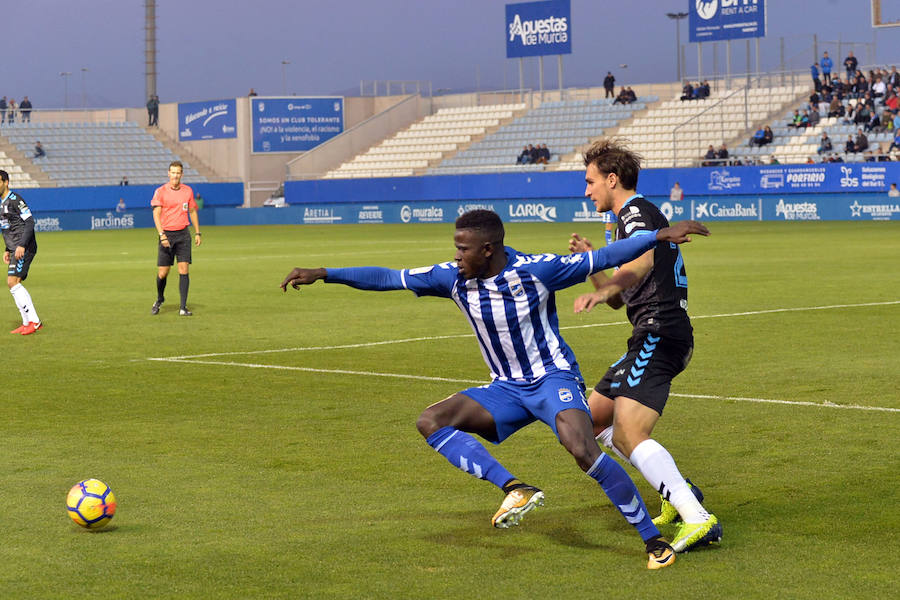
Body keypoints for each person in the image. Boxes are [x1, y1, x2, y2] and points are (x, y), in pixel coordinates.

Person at [281, 209, 711, 569]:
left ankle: (653, 540)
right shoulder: (452, 278)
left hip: (552, 379)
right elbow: (388, 277)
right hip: (505, 389)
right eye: (456, 246)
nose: (457, 254)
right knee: (431, 421)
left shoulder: (536, 271)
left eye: (463, 247)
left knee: (582, 447)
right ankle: (515, 488)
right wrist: (323, 273)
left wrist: (658, 235)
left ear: (488, 249)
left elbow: (607, 254)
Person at [566, 139, 721, 554]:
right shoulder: (629, 222)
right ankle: (677, 490)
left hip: (660, 332)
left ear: (612, 179)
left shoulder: (634, 213)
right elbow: (620, 296)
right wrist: (597, 270)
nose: (587, 191)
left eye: (591, 181)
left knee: (631, 432)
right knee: (591, 420)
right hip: (646, 334)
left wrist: (607, 283)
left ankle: (697, 519)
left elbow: (643, 264)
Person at [151, 161, 201, 316]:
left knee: (184, 270)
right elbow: (156, 215)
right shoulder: (161, 191)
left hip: (183, 235)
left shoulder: (187, 191)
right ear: (168, 173)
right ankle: (159, 299)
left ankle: (183, 307)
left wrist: (198, 232)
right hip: (167, 235)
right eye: (173, 172)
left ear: (182, 174)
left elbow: (192, 211)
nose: (175, 175)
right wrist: (162, 235)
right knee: (163, 273)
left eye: (178, 172)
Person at [0, 170, 42, 335]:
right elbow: (7, 228)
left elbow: (30, 222)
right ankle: (26, 322)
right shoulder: (1, 203)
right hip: (15, 248)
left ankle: (35, 322)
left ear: (6, 182)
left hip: (25, 246)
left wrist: (22, 245)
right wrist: (7, 249)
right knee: (13, 282)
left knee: (12, 281)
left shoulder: (15, 200)